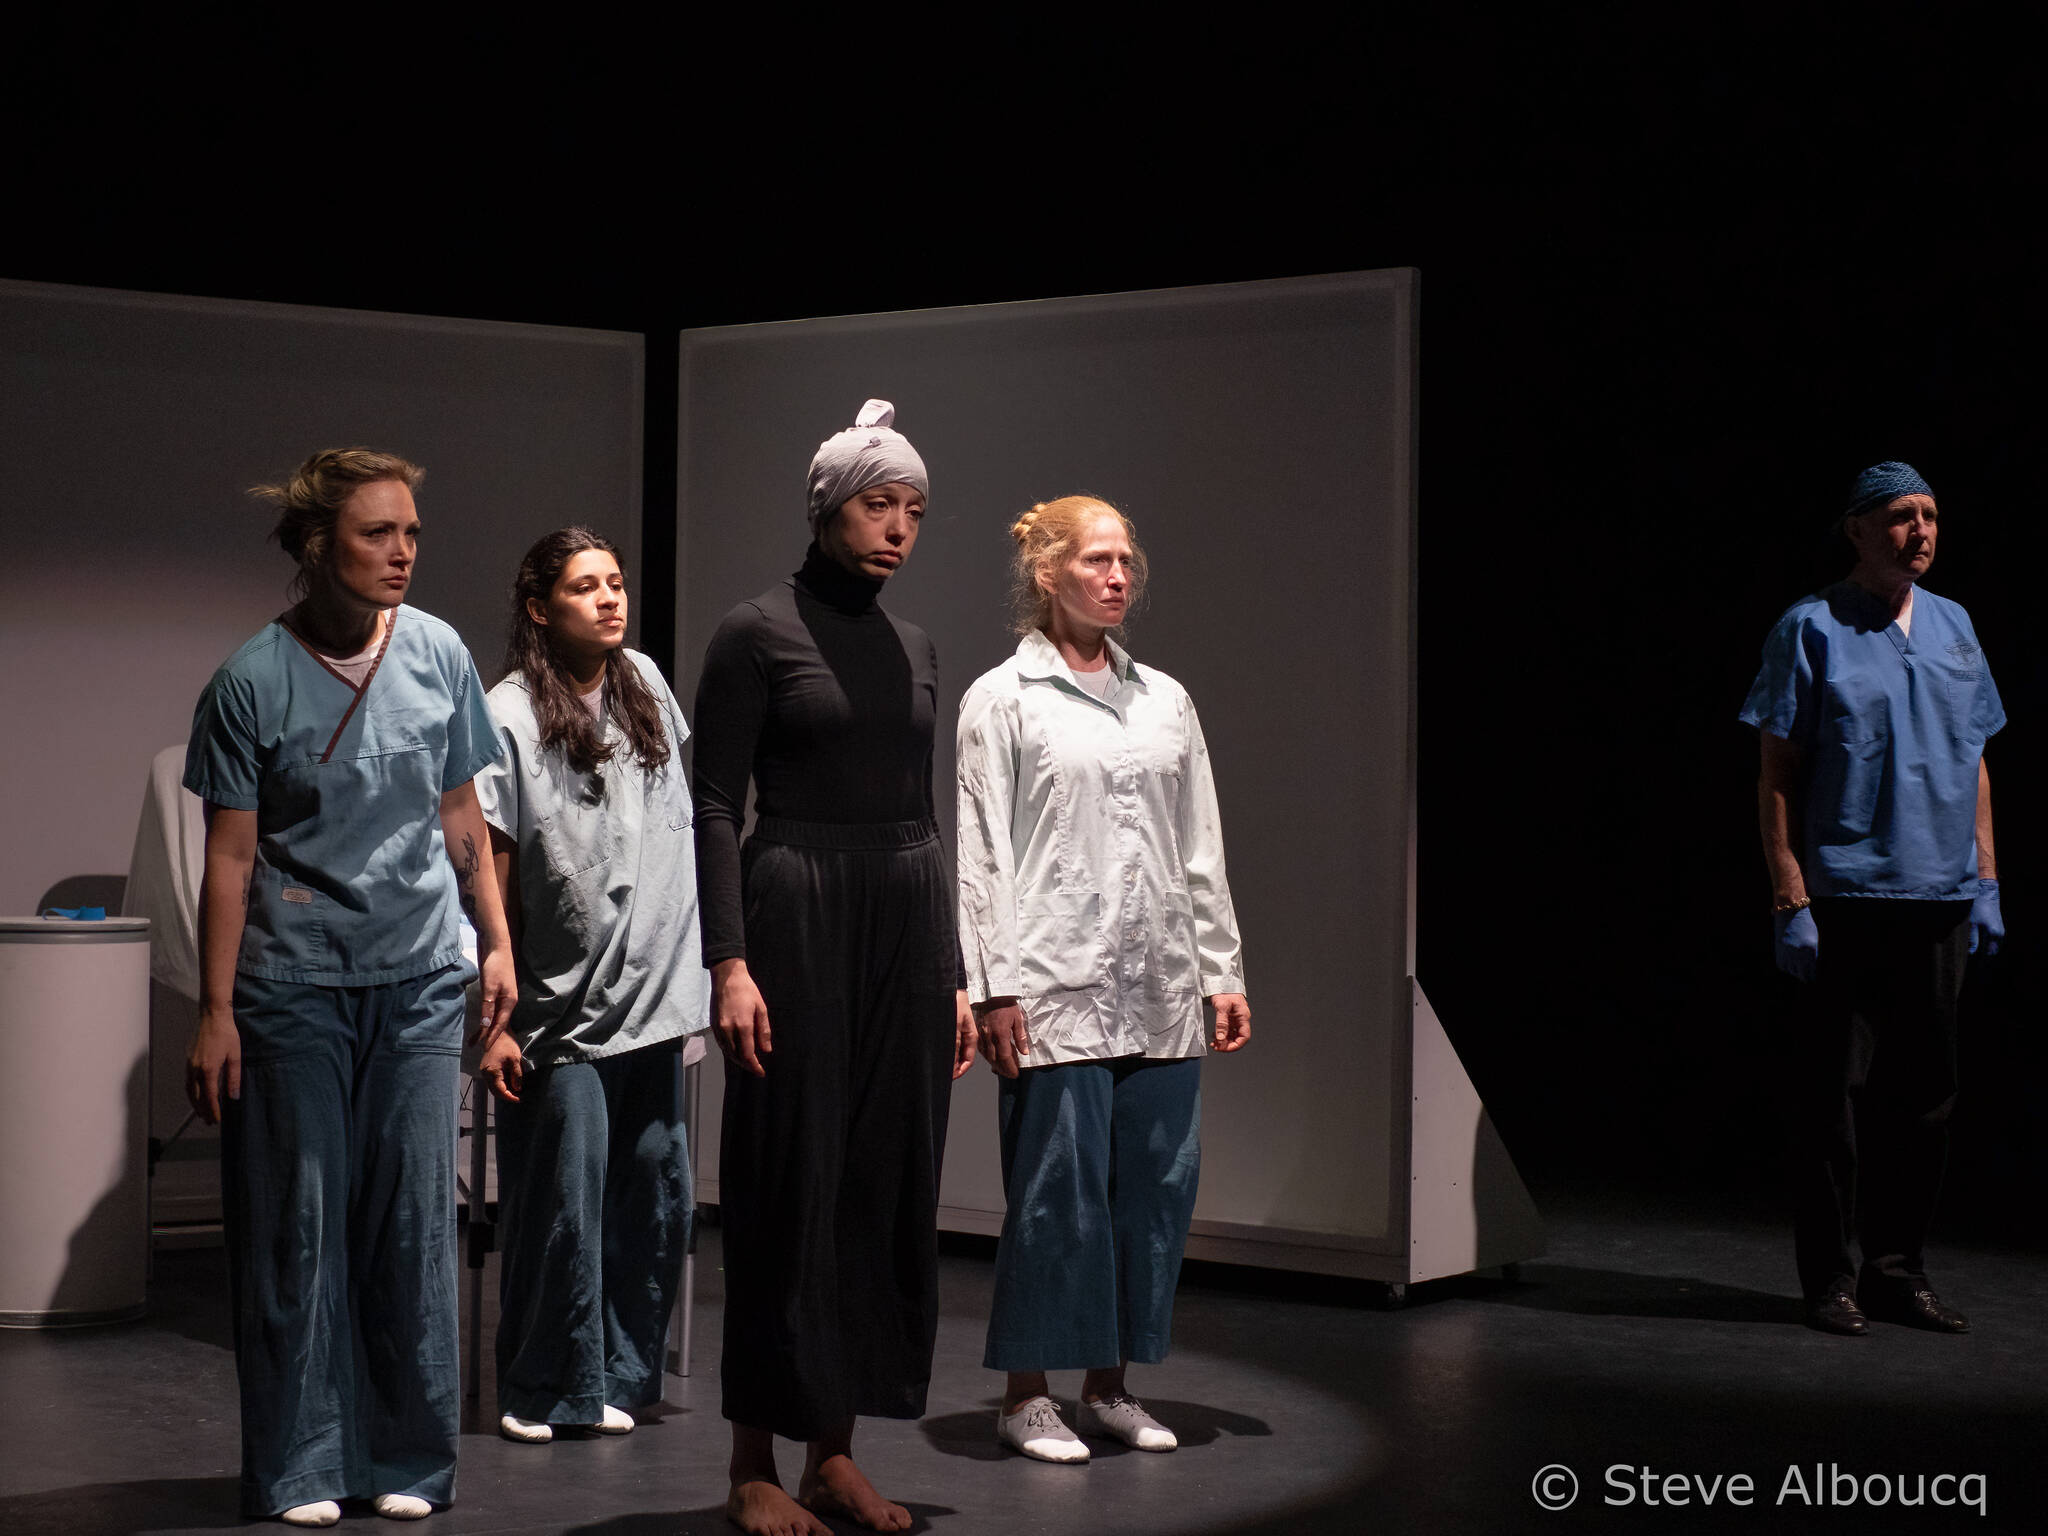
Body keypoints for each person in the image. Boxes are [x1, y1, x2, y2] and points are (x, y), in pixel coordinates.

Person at [183, 448, 513, 1526]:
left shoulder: (438, 652)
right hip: (294, 986)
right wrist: (216, 1011)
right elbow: (230, 856)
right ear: (318, 545)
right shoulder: (252, 679)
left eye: (411, 531)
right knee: (299, 1227)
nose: (403, 552)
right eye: (378, 533)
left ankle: (406, 1459)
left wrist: (495, 942)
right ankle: (301, 1464)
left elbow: (460, 811)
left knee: (411, 1223)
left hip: (417, 976)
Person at [692, 400, 976, 1535]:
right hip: (795, 906)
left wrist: (952, 970)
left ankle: (834, 1452)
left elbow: (921, 808)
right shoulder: (754, 632)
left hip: (903, 911)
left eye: (914, 510)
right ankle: (751, 1461)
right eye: (878, 505)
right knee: (787, 1180)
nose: (898, 527)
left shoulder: (916, 645)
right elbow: (716, 805)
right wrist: (729, 960)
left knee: (878, 1184)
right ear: (826, 509)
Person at [955, 495, 1250, 1464]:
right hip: (1054, 986)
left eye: (1126, 560)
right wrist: (992, 986)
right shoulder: (1003, 698)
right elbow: (981, 853)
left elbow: (1198, 842)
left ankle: (1108, 1386)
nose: (1118, 576)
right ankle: (1025, 1396)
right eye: (1096, 559)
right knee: (1056, 1195)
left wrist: (1221, 970)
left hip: (1159, 984)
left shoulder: (1164, 700)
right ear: (1048, 573)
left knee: (1151, 1192)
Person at [1740, 460, 2004, 1337]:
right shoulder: (1811, 626)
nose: (1920, 530)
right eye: (1900, 515)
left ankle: (1897, 1273)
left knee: (1926, 1099)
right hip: (1846, 896)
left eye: (1931, 514)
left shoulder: (1955, 625)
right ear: (1857, 529)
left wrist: (1987, 879)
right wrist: (1790, 897)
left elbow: (1975, 759)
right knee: (1831, 1102)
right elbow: (1777, 772)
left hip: (1941, 896)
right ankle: (1830, 1279)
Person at [473, 527, 711, 1445]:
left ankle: (617, 1376)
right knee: (562, 1204)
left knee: (654, 1197)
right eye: (585, 587)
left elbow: (672, 820)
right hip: (561, 1006)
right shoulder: (507, 713)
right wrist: (493, 1009)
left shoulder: (643, 682)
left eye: (615, 582)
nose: (610, 598)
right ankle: (541, 1384)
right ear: (540, 609)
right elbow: (492, 860)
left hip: (655, 995)